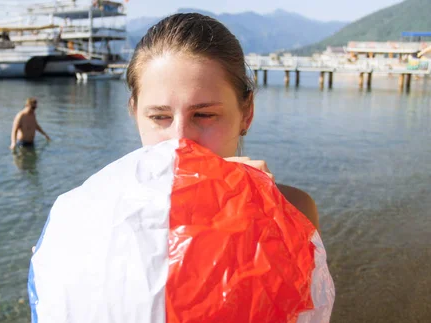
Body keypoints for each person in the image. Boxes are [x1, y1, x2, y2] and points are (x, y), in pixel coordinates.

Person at [125, 13, 319, 229]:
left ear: (246, 114)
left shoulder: (293, 211)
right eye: (159, 117)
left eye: (204, 115)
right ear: (135, 113)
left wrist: (264, 225)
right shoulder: (103, 214)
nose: (181, 141)